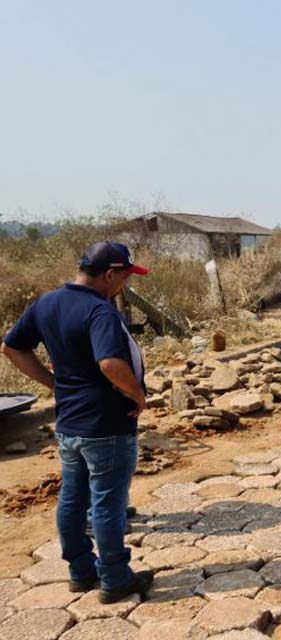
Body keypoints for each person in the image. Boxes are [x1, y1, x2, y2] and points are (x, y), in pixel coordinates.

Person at [1, 242, 154, 604]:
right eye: (125, 278)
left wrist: (54, 383)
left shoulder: (47, 303)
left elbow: (11, 348)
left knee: (72, 498)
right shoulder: (100, 312)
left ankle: (81, 571)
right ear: (110, 274)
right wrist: (137, 395)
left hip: (69, 424)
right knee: (107, 502)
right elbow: (110, 364)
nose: (125, 286)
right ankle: (115, 577)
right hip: (107, 425)